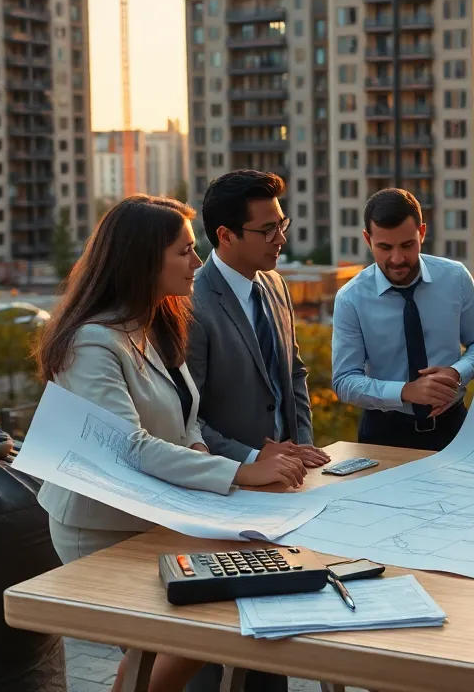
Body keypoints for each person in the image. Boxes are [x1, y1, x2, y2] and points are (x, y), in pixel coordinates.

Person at [33, 195, 304, 692]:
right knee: (175, 644)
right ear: (142, 260)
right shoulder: (91, 342)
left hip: (157, 511)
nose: (197, 261)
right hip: (101, 528)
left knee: (181, 640)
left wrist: (203, 465)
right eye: (184, 251)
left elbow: (187, 419)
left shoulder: (157, 321)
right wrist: (239, 471)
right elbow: (128, 447)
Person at [185, 171, 328, 692]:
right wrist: (249, 459)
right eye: (267, 229)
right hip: (224, 493)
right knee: (212, 647)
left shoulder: (275, 283)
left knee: (273, 632)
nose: (281, 238)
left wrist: (301, 446)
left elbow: (294, 373)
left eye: (282, 224)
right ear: (225, 236)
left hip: (283, 489)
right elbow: (186, 416)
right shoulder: (191, 301)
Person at [332, 188, 474, 450]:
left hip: (454, 428)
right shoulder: (350, 298)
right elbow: (344, 381)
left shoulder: (455, 278)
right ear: (367, 239)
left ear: (422, 232)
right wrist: (405, 392)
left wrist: (457, 373)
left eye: (407, 245)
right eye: (385, 247)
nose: (397, 259)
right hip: (384, 433)